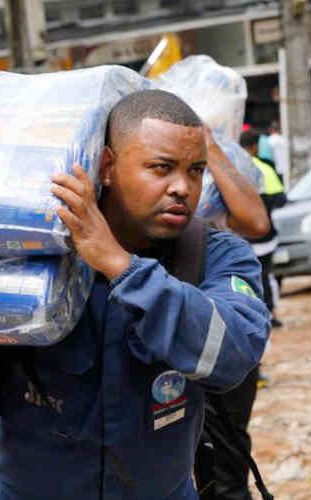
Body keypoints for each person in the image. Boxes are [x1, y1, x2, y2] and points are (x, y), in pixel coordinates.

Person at [0, 89, 270, 499]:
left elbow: (234, 353)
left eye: (196, 171)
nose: (183, 188)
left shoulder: (214, 255)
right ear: (107, 166)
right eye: (161, 168)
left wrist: (121, 267)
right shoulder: (35, 258)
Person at [240, 130, 287, 327]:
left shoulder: (231, 168)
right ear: (255, 147)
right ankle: (271, 314)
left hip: (241, 238)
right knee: (267, 276)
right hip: (265, 236)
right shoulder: (265, 168)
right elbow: (281, 199)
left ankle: (252, 315)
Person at [268, 121, 290, 189]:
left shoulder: (269, 140)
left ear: (271, 130)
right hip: (285, 168)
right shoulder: (284, 140)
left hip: (274, 169)